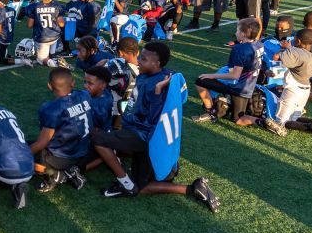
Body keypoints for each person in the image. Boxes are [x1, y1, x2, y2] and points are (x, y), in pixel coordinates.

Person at [90, 41, 219, 210]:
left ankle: (190, 188)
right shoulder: (164, 75)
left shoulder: (157, 84)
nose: (138, 61)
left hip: (146, 138)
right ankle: (161, 170)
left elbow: (153, 120)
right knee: (110, 139)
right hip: (149, 136)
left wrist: (158, 91)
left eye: (143, 59)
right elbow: (182, 97)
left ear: (156, 63)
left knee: (100, 140)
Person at [263, 29, 312, 140]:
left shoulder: (295, 52)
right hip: (305, 88)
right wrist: (311, 70)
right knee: (295, 117)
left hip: (293, 88)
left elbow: (275, 57)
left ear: (298, 41)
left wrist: (285, 47)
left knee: (281, 121)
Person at [29, 67, 93, 193]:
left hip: (62, 157)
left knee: (25, 153)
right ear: (73, 83)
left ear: (49, 86)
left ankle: (56, 175)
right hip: (85, 151)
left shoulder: (50, 108)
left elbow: (42, 143)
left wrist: (21, 153)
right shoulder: (85, 95)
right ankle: (71, 170)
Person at [192, 17, 264, 126]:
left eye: (238, 30)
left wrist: (212, 76)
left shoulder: (240, 49)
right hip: (248, 88)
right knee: (238, 119)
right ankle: (262, 122)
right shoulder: (259, 44)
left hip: (237, 87)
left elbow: (235, 75)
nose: (236, 32)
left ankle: (210, 111)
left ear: (243, 34)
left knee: (200, 81)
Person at [21, 0, 65, 66]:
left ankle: (56, 63)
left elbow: (29, 25)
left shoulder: (34, 7)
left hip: (42, 38)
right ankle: (52, 54)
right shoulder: (57, 6)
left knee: (40, 60)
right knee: (53, 41)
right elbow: (61, 24)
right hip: (55, 37)